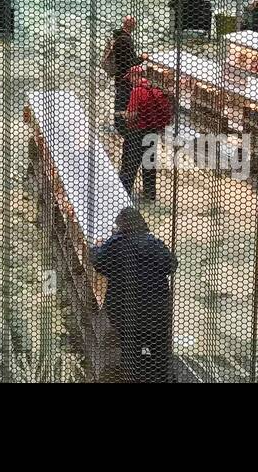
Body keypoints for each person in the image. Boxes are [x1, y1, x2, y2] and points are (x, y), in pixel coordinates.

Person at [90, 207, 176, 382]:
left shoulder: (117, 243)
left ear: (123, 226)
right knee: (156, 346)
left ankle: (133, 375)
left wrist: (97, 247)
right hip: (156, 309)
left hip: (126, 309)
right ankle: (159, 375)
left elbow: (98, 263)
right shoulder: (154, 244)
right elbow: (171, 265)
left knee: (131, 346)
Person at [122, 70, 173, 201]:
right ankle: (150, 194)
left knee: (130, 164)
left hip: (136, 133)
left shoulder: (137, 91)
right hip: (152, 133)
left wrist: (125, 115)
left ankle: (123, 193)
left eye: (130, 77)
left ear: (136, 76)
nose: (129, 80)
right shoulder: (154, 90)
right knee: (149, 164)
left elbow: (132, 116)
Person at [102, 16, 141, 119]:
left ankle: (118, 122)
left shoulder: (118, 36)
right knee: (123, 100)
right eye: (134, 23)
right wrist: (142, 58)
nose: (135, 25)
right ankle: (120, 124)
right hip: (125, 76)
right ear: (130, 24)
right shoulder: (125, 39)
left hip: (119, 74)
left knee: (120, 97)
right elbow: (131, 61)